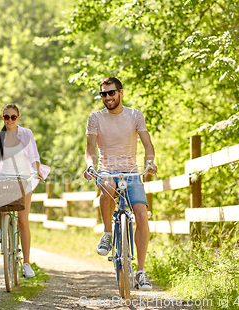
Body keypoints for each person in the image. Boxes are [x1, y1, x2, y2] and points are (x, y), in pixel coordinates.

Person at [83, 77, 157, 291]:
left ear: (121, 92)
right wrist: (90, 166)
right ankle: (107, 233)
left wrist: (150, 162)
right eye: (103, 94)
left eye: (111, 93)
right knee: (107, 184)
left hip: (132, 172)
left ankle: (141, 272)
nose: (107, 97)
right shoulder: (95, 118)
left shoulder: (135, 115)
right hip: (107, 169)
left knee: (142, 215)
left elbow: (148, 145)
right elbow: (90, 149)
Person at [0, 103, 50, 278]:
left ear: (18, 118)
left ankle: (26, 263)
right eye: (6, 117)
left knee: (23, 220)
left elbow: (34, 156)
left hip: (24, 177)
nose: (9, 120)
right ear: (2, 118)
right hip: (5, 176)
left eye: (13, 117)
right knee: (0, 199)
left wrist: (36, 170)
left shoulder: (26, 134)